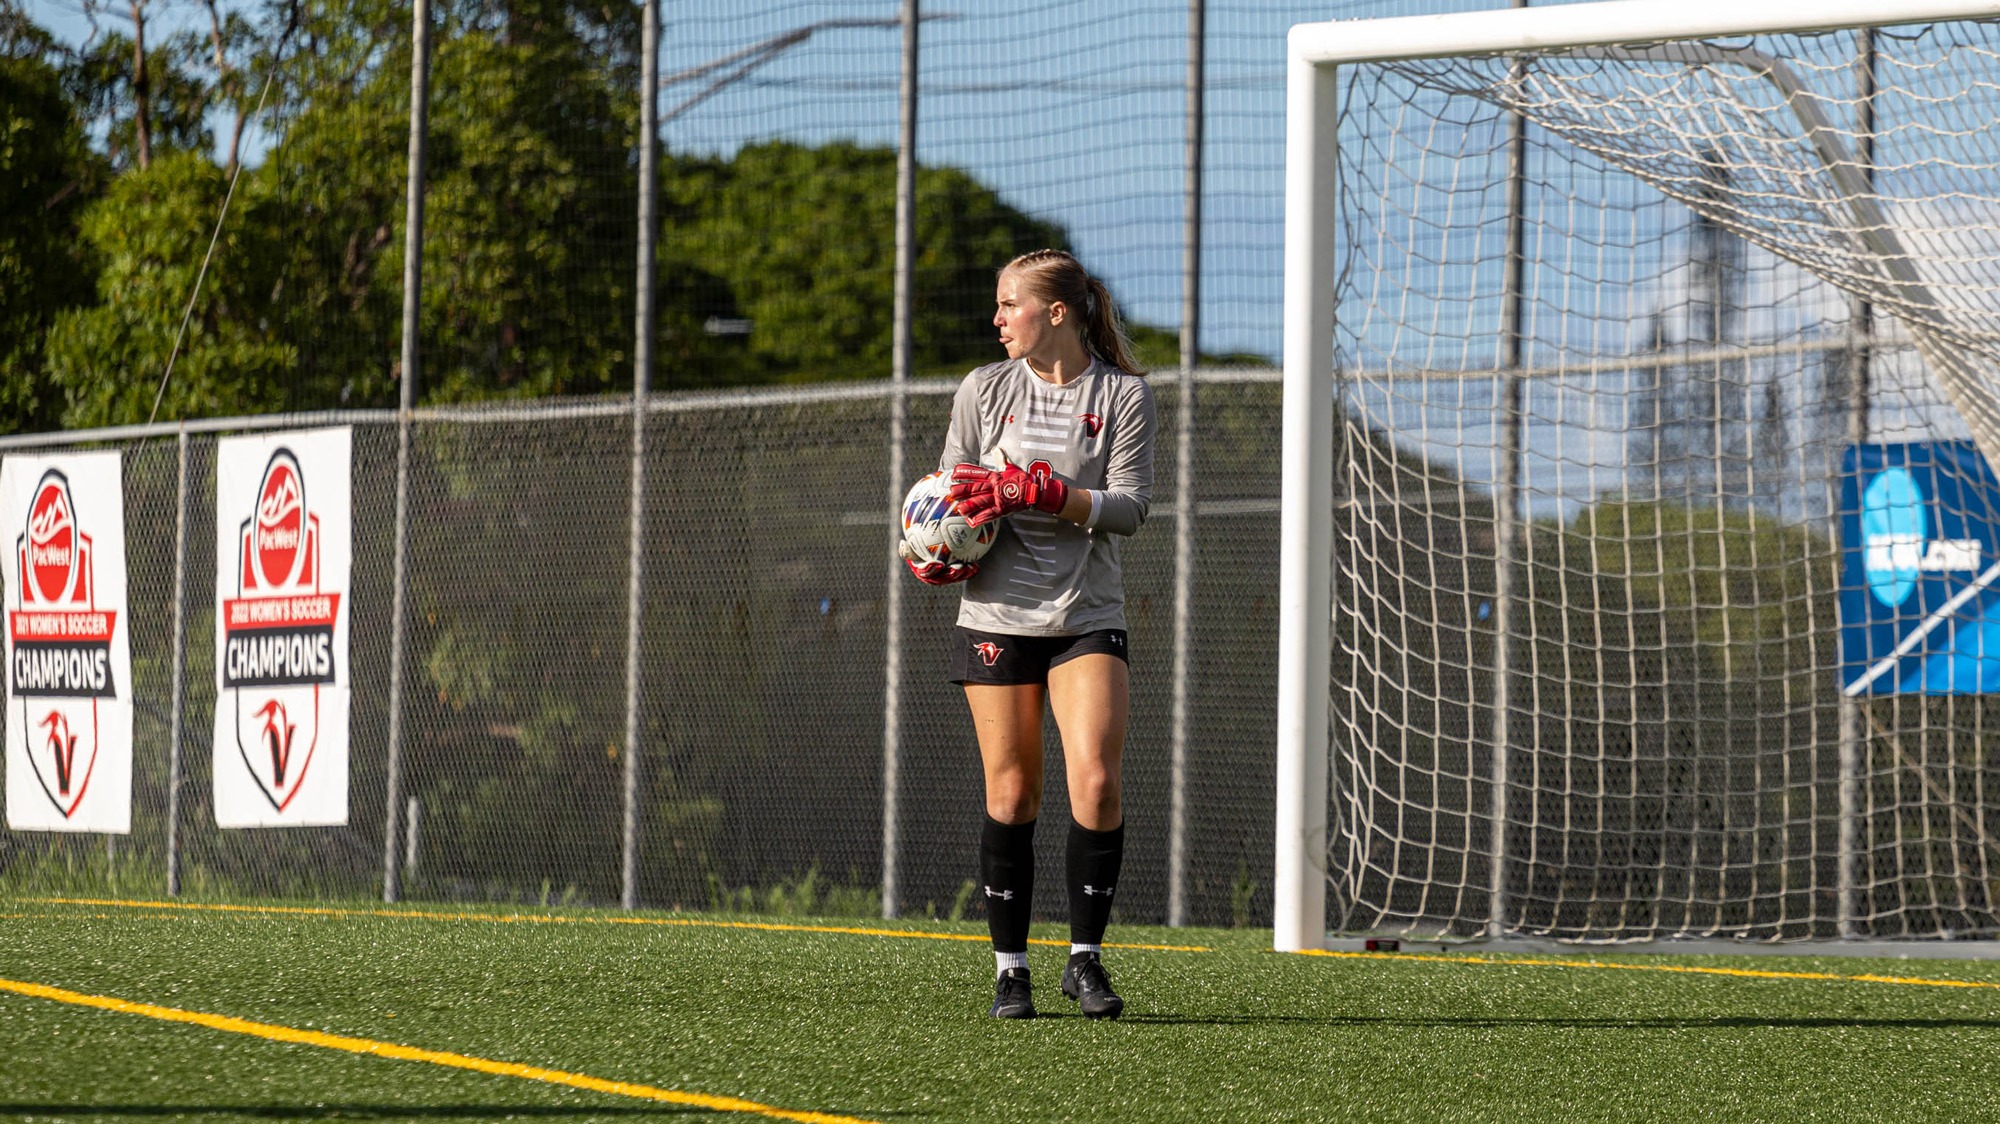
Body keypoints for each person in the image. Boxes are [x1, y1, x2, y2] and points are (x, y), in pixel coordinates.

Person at [902, 248, 1155, 1020]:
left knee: (1098, 783)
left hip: (1085, 614)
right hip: (997, 617)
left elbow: (1131, 508)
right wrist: (934, 546)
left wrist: (1046, 492)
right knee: (1012, 794)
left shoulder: (1124, 395)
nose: (997, 319)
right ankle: (1012, 971)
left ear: (1056, 313)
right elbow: (947, 496)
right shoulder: (983, 389)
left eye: (1009, 304)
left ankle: (1086, 960)